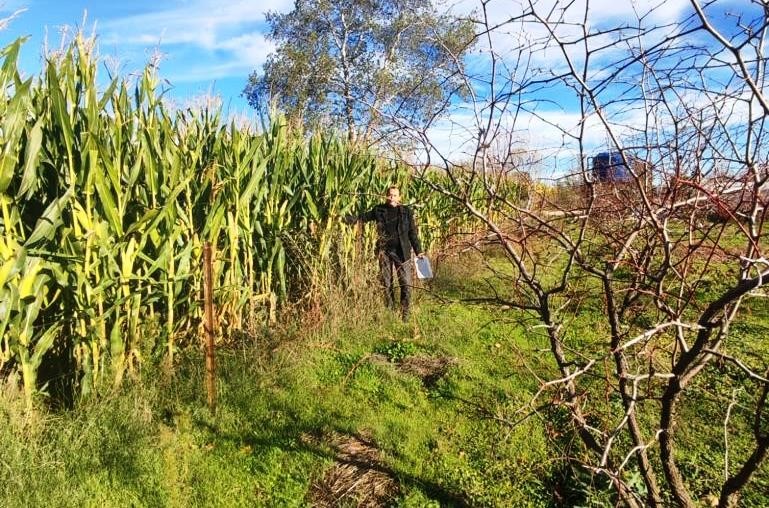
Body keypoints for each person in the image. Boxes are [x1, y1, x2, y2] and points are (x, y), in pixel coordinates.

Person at [345, 186, 425, 321]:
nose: (392, 197)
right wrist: (344, 218)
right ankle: (389, 309)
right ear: (386, 196)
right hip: (385, 251)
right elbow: (362, 217)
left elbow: (412, 233)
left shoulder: (406, 212)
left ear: (400, 197)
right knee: (386, 283)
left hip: (402, 252)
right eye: (390, 195)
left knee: (405, 283)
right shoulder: (379, 210)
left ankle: (405, 313)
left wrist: (419, 251)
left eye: (395, 195)